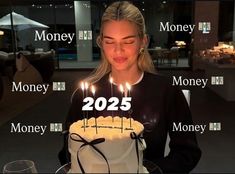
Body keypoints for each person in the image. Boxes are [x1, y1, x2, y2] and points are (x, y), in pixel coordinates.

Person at [58, 1, 201, 173]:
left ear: (143, 41)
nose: (118, 51)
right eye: (110, 41)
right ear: (101, 43)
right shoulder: (85, 94)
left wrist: (150, 171)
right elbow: (67, 152)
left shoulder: (167, 91)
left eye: (128, 41)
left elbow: (188, 152)